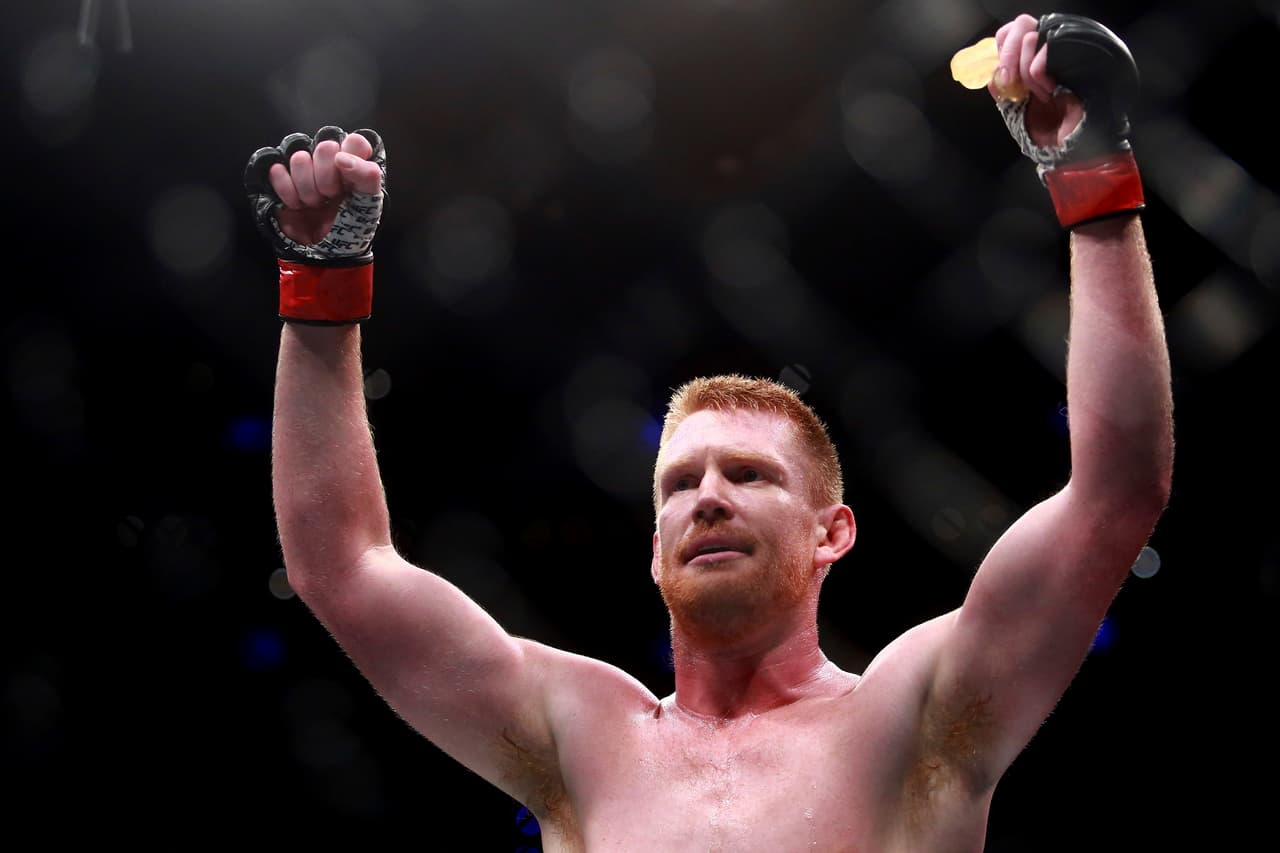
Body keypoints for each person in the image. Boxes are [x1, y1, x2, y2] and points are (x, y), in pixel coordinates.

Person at [244, 12, 1172, 851]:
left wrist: (1090, 176)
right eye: (681, 483)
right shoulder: (581, 737)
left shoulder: (917, 716)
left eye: (750, 475)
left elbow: (1115, 491)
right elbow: (342, 566)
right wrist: (320, 287)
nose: (709, 497)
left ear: (831, 531)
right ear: (654, 549)